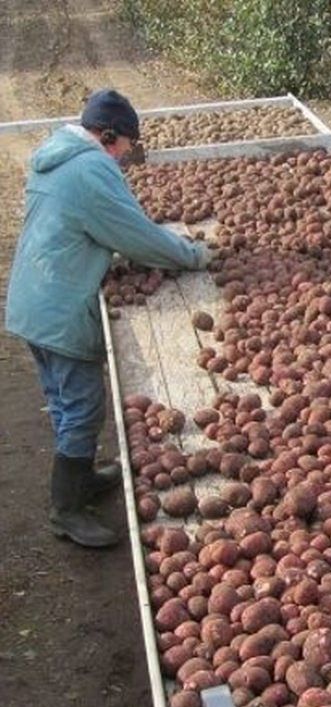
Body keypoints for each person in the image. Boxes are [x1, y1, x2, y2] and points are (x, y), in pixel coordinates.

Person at [4, 88, 211, 548]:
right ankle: (67, 510)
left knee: (61, 399)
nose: (123, 159)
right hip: (60, 307)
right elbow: (135, 235)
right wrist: (193, 255)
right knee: (81, 406)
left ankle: (81, 478)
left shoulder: (57, 157)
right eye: (124, 148)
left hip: (32, 298)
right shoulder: (91, 167)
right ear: (109, 135)